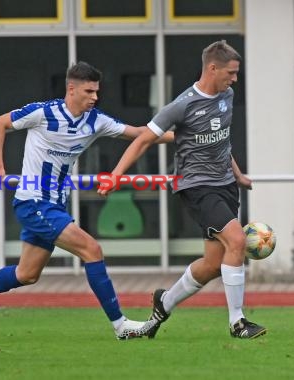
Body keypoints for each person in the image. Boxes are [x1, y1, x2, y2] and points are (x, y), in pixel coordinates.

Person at [0, 61, 172, 340]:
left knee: (27, 274)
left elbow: (142, 134)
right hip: (33, 202)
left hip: (54, 205)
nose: (95, 97)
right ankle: (121, 325)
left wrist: (184, 137)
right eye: (89, 91)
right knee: (92, 249)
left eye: (96, 92)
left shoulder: (96, 120)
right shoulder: (43, 112)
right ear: (71, 89)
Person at [98, 40, 266, 339]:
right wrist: (115, 176)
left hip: (225, 185)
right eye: (231, 72)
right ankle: (238, 322)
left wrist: (238, 174)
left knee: (214, 265)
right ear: (212, 68)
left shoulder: (227, 94)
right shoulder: (182, 105)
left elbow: (221, 142)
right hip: (197, 186)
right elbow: (142, 140)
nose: (235, 78)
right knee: (237, 240)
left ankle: (165, 301)